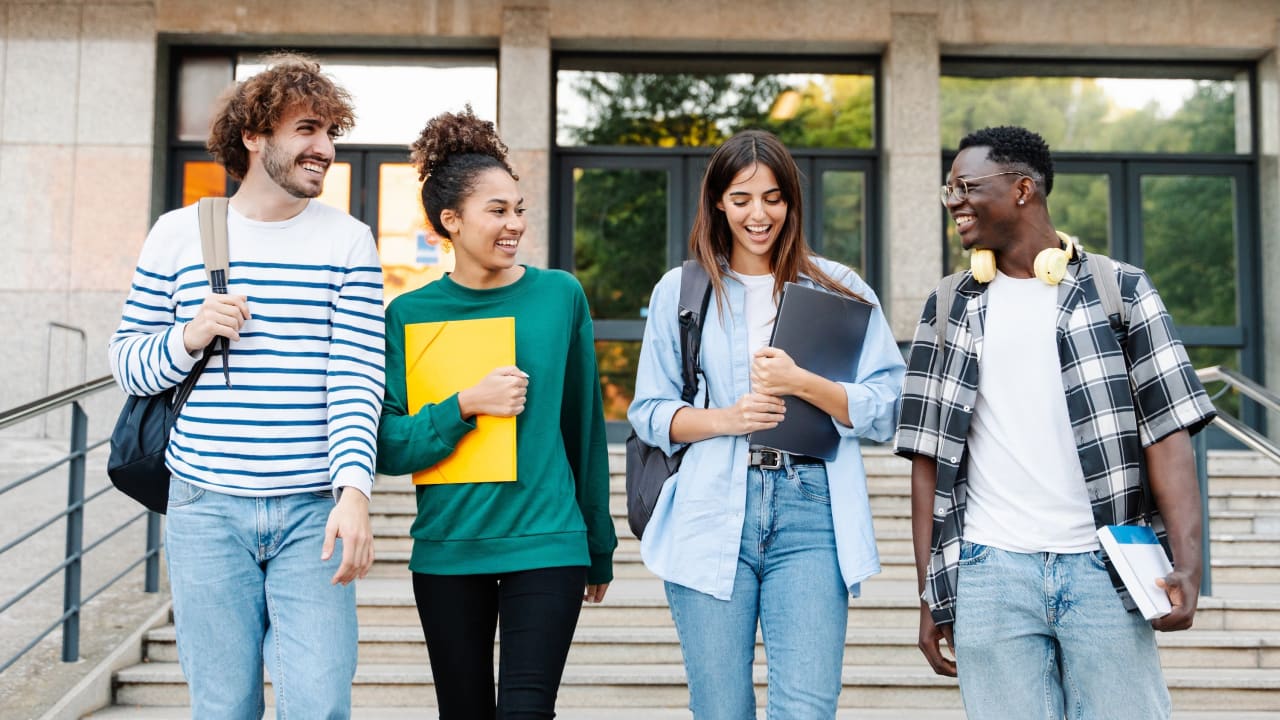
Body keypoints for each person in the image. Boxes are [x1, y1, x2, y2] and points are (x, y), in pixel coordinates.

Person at [895, 125, 1217, 719]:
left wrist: (1189, 564)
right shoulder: (947, 305)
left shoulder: (1120, 290)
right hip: (990, 573)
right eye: (949, 191)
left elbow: (1168, 434)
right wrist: (929, 595)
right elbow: (926, 459)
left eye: (966, 187)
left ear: (1023, 190)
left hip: (1106, 569)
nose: (955, 203)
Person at [108, 54, 384, 718]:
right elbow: (127, 363)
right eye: (307, 129)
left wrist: (354, 492)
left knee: (318, 704)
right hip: (204, 508)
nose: (324, 148)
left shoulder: (348, 241)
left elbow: (356, 377)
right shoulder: (178, 235)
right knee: (223, 705)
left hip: (312, 509)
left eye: (330, 133)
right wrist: (189, 336)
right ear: (253, 137)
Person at [628, 129, 905, 719]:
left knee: (806, 709)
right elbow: (648, 414)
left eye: (774, 198)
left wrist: (805, 384)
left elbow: (891, 405)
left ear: (792, 203)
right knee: (721, 709)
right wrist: (726, 418)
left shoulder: (839, 287)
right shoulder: (681, 290)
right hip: (708, 506)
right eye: (742, 198)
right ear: (718, 203)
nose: (759, 214)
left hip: (812, 511)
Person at [375, 107, 617, 719]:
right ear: (450, 221)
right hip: (449, 547)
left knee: (526, 713)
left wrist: (599, 542)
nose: (514, 224)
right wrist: (463, 406)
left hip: (547, 542)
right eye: (497, 211)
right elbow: (389, 445)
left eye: (519, 209)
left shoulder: (560, 295)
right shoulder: (408, 314)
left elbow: (582, 427)